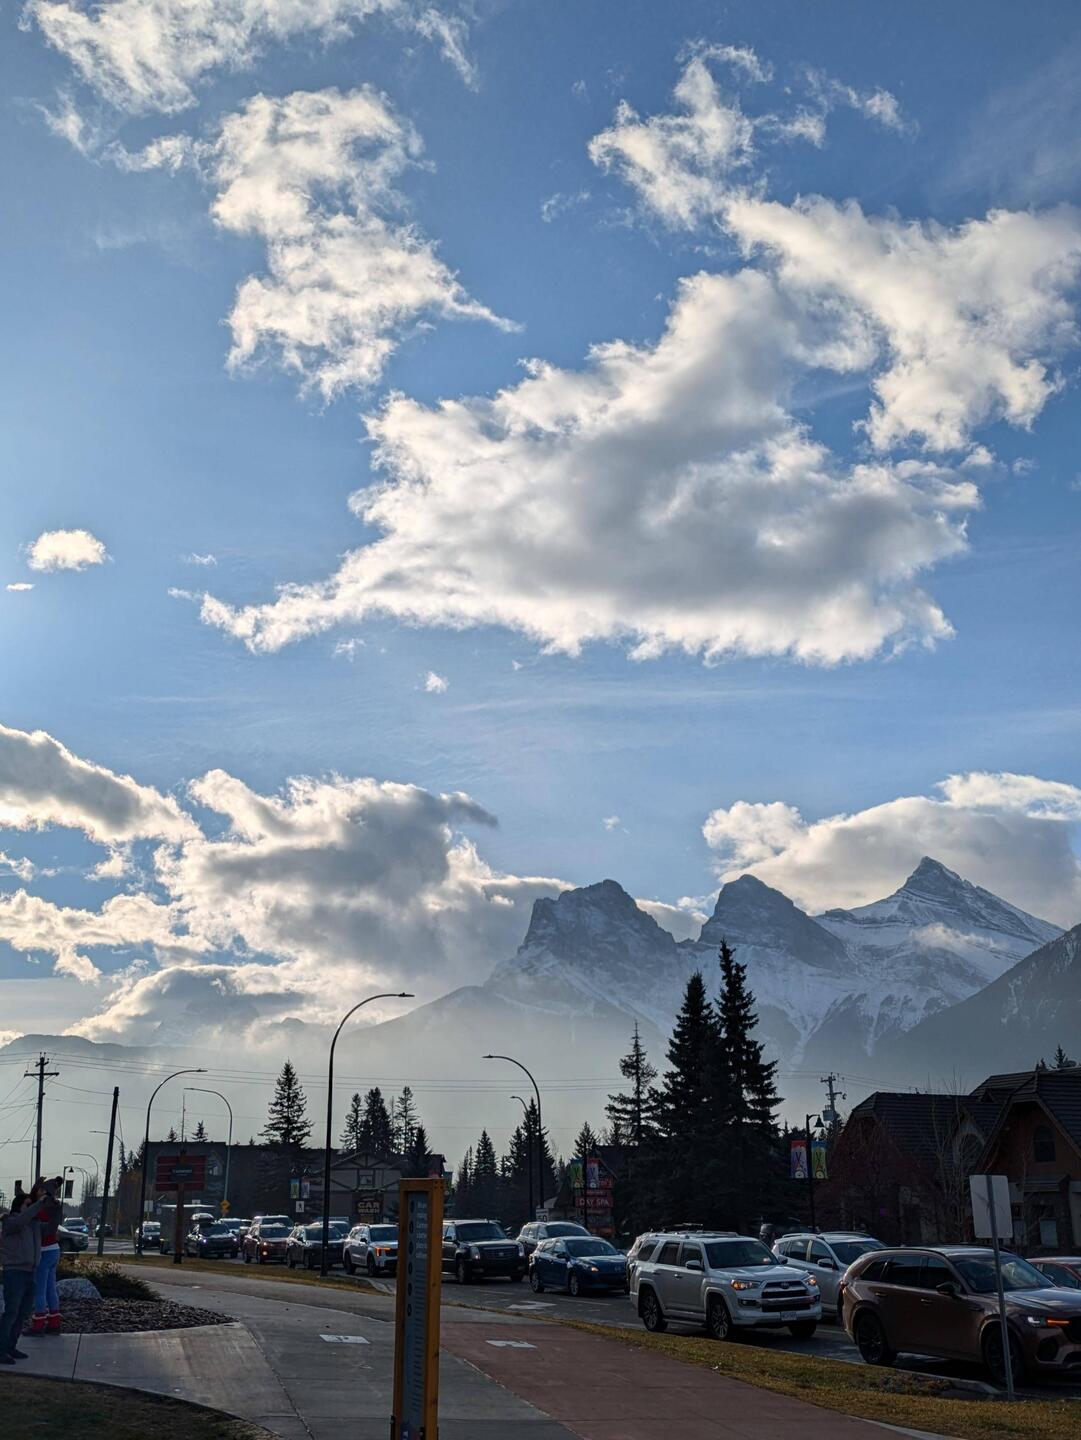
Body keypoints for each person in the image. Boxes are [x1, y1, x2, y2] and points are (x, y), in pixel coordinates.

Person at [0, 1188, 45, 1362]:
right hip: (15, 1272)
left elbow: (50, 1229)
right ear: (18, 1206)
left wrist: (53, 1209)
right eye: (28, 1204)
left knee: (22, 1313)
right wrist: (39, 1203)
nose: (31, 1207)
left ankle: (11, 1347)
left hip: (30, 1273)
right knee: (11, 1312)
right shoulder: (11, 1222)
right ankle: (1, 1349)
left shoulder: (33, 1224)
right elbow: (20, 1221)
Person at [29, 1178, 64, 1336]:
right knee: (51, 1287)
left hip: (43, 1251)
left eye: (40, 1190)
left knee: (40, 1289)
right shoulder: (55, 1206)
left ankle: (38, 1323)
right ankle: (54, 1321)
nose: (37, 1192)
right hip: (54, 1250)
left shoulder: (40, 1208)